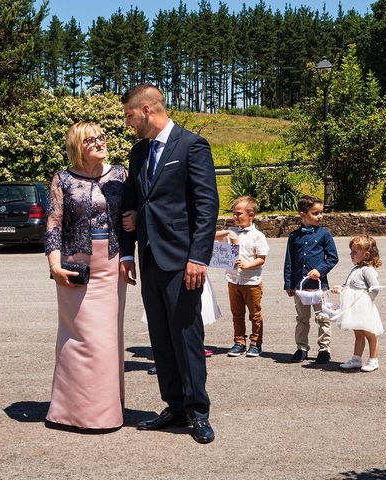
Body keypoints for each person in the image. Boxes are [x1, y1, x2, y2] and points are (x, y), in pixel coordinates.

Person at [119, 83, 219, 444]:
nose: (127, 122)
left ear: (147, 110)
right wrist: (128, 251)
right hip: (148, 258)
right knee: (160, 338)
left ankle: (197, 412)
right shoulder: (138, 152)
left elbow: (207, 208)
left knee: (186, 336)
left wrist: (197, 258)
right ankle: (174, 406)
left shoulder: (192, 145)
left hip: (182, 261)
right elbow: (132, 202)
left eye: (129, 115)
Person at [45, 122, 132, 431]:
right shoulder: (63, 179)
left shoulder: (121, 175)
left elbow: (130, 217)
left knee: (105, 339)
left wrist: (130, 250)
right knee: (77, 337)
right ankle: (69, 412)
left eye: (101, 137)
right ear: (77, 147)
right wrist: (55, 266)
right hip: (74, 267)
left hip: (110, 265)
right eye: (90, 140)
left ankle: (104, 413)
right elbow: (54, 223)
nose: (99, 142)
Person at [283, 195, 339, 364]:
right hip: (300, 286)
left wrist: (320, 270)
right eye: (315, 213)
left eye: (321, 212)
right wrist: (288, 283)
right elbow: (289, 261)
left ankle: (324, 349)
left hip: (318, 286)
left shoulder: (324, 234)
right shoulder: (294, 236)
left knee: (323, 317)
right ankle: (301, 348)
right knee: (302, 319)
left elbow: (332, 258)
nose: (320, 216)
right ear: (303, 215)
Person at [215, 196, 269, 358]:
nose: (235, 217)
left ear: (250, 214)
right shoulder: (232, 232)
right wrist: (228, 231)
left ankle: (255, 343)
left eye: (239, 214)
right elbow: (212, 236)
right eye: (234, 213)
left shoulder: (257, 235)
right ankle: (239, 341)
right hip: (233, 280)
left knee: (255, 314)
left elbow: (262, 258)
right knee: (237, 314)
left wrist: (247, 265)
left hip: (251, 281)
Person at [331, 234, 384, 372]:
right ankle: (356, 359)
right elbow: (350, 286)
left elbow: (375, 288)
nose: (351, 254)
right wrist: (341, 289)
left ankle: (373, 360)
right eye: (351, 251)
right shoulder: (356, 269)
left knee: (370, 334)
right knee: (358, 334)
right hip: (354, 308)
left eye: (355, 252)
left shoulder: (368, 270)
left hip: (364, 308)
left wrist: (368, 302)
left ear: (366, 254)